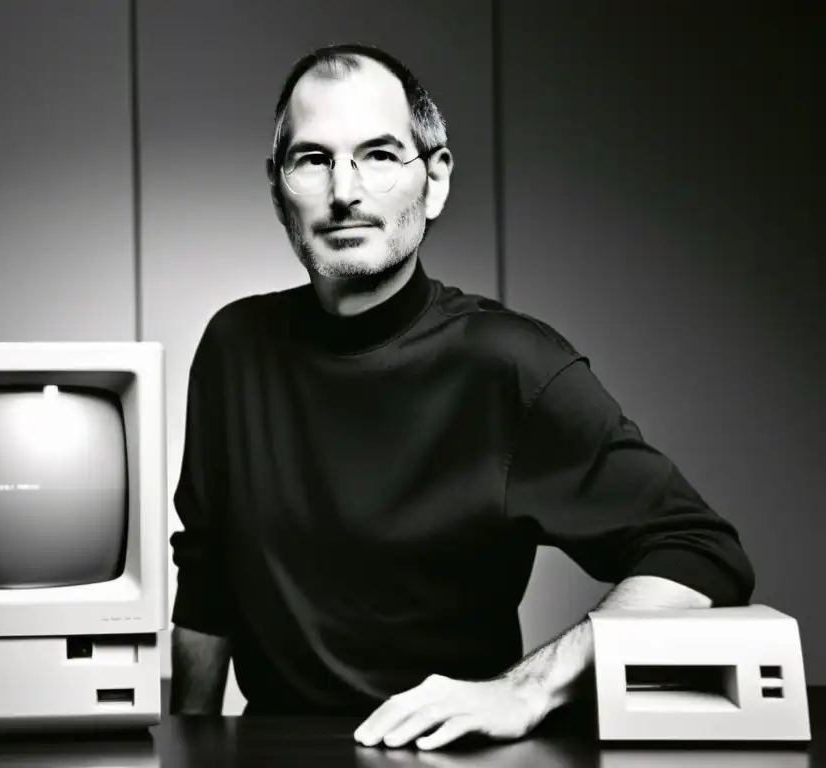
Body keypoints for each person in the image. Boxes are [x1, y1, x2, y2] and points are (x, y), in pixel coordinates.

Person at [167, 43, 755, 751]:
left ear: (435, 180)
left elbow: (701, 551)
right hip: (275, 750)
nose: (344, 189)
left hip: (447, 756)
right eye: (313, 159)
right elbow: (207, 577)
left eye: (380, 155)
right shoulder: (235, 345)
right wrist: (186, 746)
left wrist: (528, 688)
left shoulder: (509, 362)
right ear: (277, 188)